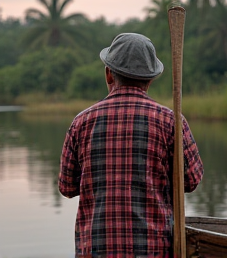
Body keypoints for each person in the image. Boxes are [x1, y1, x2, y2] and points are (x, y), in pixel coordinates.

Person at [58, 33, 204, 258]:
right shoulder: (171, 121)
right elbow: (191, 180)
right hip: (154, 251)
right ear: (150, 79)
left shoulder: (81, 122)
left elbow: (67, 187)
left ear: (108, 74)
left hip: (95, 251)